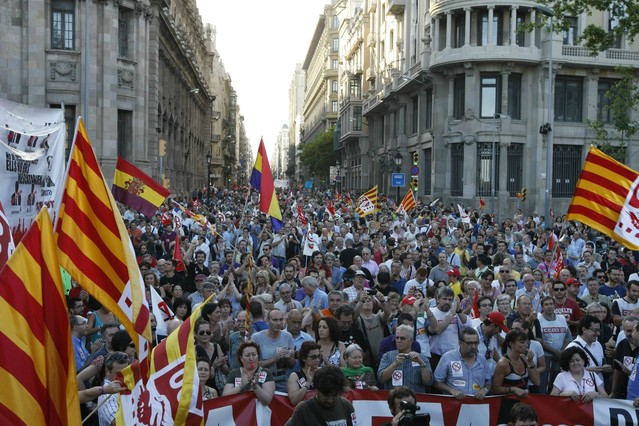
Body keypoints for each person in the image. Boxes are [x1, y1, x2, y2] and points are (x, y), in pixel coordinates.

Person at [433, 328, 492, 399]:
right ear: (460, 342)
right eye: (469, 343)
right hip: (453, 405)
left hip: (477, 406)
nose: (473, 346)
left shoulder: (482, 360)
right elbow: (437, 382)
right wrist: (451, 390)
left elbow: (488, 382)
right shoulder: (447, 357)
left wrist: (484, 390)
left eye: (476, 343)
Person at [287, 365, 356, 426]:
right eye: (326, 396)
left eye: (334, 396)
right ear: (316, 389)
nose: (330, 400)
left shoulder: (347, 406)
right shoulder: (303, 409)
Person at [252, 309, 296, 393]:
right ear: (267, 321)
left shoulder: (288, 336)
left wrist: (288, 358)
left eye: (281, 319)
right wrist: (274, 359)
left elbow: (292, 364)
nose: (278, 323)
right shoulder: (257, 337)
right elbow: (253, 364)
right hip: (263, 383)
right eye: (275, 320)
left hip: (283, 382)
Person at [378, 324, 432, 393]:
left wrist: (421, 364)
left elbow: (429, 382)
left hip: (415, 399)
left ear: (411, 340)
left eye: (402, 338)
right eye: (397, 338)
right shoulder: (387, 356)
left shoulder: (422, 358)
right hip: (394, 399)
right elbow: (381, 379)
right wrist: (395, 364)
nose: (399, 340)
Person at [223, 340, 275, 405]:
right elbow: (225, 398)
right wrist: (240, 386)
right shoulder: (234, 373)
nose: (251, 358)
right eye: (247, 355)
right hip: (239, 412)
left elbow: (267, 401)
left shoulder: (266, 372)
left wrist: (255, 387)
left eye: (254, 355)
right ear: (241, 358)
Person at [492, 329, 541, 397]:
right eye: (522, 342)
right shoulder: (503, 363)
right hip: (508, 403)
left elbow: (537, 382)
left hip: (523, 403)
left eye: (527, 342)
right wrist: (513, 389)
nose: (526, 345)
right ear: (511, 344)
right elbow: (495, 389)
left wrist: (530, 362)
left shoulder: (523, 358)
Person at [98, 352, 130, 426]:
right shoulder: (106, 395)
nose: (124, 377)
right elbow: (116, 423)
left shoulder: (128, 386)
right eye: (119, 374)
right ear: (107, 371)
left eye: (126, 372)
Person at [287, 341, 322, 405]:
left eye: (319, 356)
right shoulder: (295, 376)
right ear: (304, 358)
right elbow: (294, 400)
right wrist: (308, 383)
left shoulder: (323, 373)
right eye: (313, 357)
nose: (317, 360)